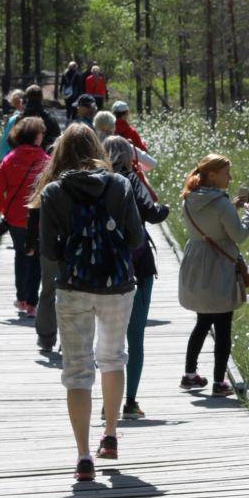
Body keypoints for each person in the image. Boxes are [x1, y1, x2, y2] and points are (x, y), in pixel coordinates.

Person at [36, 124, 144, 482]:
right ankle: (110, 436)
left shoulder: (53, 192)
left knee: (77, 370)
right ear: (96, 147)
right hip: (117, 286)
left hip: (73, 286)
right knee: (113, 357)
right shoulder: (120, 185)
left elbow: (50, 251)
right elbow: (135, 239)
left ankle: (83, 456)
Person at [177, 154, 249, 397]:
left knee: (202, 322)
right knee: (223, 326)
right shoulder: (220, 203)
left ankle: (190, 374)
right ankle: (219, 382)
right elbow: (238, 235)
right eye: (226, 173)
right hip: (219, 266)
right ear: (212, 175)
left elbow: (209, 223)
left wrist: (230, 207)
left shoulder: (189, 198)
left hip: (196, 262)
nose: (230, 178)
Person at [105, 136, 169, 419]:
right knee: (135, 336)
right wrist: (165, 208)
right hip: (136, 266)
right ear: (129, 156)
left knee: (109, 340)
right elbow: (152, 214)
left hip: (103, 268)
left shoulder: (96, 181)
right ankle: (130, 402)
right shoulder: (130, 180)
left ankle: (109, 403)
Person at [0, 117, 49, 317]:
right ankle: (32, 303)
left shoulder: (9, 160)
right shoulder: (46, 161)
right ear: (37, 137)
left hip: (15, 218)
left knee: (21, 255)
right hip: (38, 219)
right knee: (36, 258)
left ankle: (21, 298)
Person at [20, 83, 61, 149]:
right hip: (44, 156)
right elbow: (57, 139)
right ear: (41, 98)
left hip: (22, 155)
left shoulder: (20, 118)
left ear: (27, 98)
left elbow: (12, 139)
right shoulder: (50, 119)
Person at [0, 89, 25, 161]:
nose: (16, 106)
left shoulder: (24, 115)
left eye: (17, 103)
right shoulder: (16, 113)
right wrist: (6, 123)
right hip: (5, 152)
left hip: (10, 152)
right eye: (14, 104)